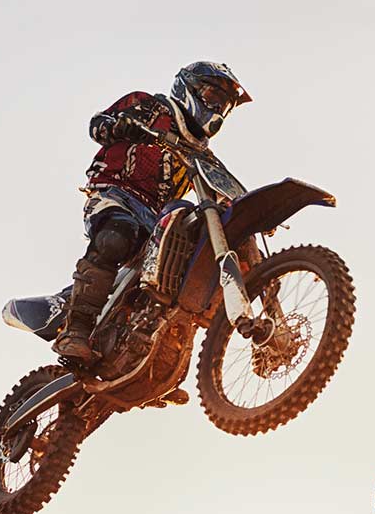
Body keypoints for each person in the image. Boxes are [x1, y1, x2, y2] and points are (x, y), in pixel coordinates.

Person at [49, 62, 252, 362]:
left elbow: (221, 187)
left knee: (188, 267)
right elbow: (97, 124)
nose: (215, 108)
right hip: (114, 194)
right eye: (211, 97)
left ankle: (164, 351)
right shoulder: (150, 107)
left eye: (222, 105)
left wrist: (243, 205)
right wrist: (121, 125)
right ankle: (75, 331)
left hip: (156, 220)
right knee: (116, 238)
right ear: (189, 87)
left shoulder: (202, 152)